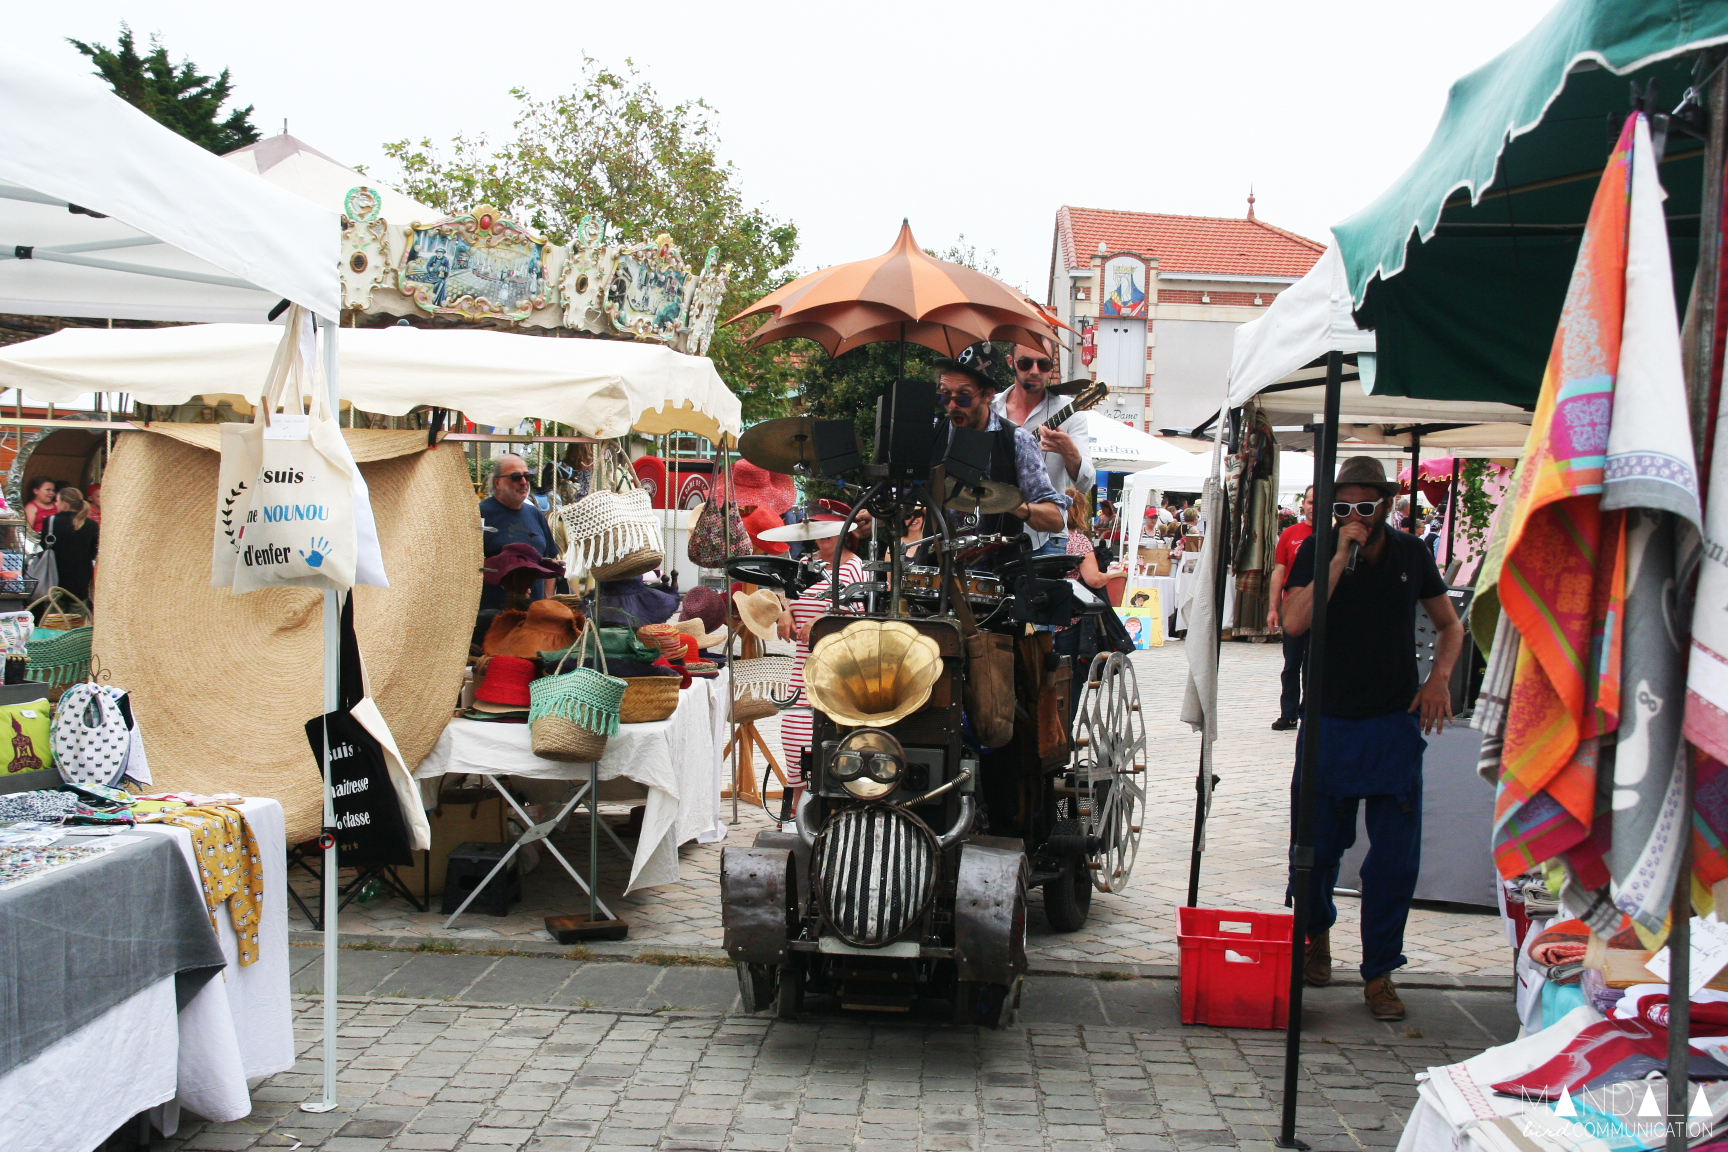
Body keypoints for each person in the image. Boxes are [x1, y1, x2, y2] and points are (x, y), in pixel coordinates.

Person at [1280, 457, 1463, 1022]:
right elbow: (1293, 622)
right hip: (1329, 719)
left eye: (1365, 506)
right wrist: (1337, 557)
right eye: (1342, 508)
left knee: (1392, 860)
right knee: (1315, 848)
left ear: (1387, 503)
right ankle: (1314, 936)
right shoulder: (1318, 548)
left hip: (1391, 722)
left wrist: (1438, 679)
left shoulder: (1411, 552)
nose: (1354, 517)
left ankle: (1380, 970)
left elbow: (1450, 623)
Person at [932, 345, 1068, 557]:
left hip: (998, 574)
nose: (952, 405)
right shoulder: (933, 433)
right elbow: (905, 499)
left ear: (987, 395)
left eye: (964, 397)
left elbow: (1056, 519)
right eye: (944, 395)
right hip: (937, 570)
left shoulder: (1017, 441)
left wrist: (1011, 503)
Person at [777, 500, 867, 788]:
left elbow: (860, 617)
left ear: (845, 530)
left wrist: (823, 619)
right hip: (800, 666)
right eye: (819, 526)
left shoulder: (854, 566)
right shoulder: (804, 563)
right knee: (792, 736)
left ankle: (815, 806)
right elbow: (791, 599)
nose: (824, 533)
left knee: (819, 740)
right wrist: (784, 611)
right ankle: (794, 808)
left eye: (831, 527)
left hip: (835, 669)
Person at [994, 342, 1092, 555]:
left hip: (1047, 538)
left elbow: (1085, 483)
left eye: (1044, 364)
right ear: (1011, 362)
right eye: (1025, 363)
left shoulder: (1070, 412)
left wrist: (1070, 452)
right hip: (993, 533)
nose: (1035, 371)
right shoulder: (992, 408)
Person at [479, 453, 557, 612]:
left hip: (533, 616)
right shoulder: (480, 514)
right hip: (493, 615)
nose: (523, 482)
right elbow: (468, 567)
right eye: (516, 477)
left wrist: (546, 600)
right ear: (498, 482)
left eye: (527, 476)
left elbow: (550, 559)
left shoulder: (534, 513)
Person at [1267, 485, 1315, 731]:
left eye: (1318, 502)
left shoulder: (1334, 534)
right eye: (1310, 502)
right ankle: (1288, 712)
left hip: (1321, 610)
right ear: (1303, 504)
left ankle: (1309, 709)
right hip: (1294, 609)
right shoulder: (1290, 534)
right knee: (1292, 663)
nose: (1313, 507)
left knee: (1314, 664)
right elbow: (1279, 572)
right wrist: (1273, 608)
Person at [43, 486, 98, 605]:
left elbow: (44, 546)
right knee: (78, 620)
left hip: (55, 578)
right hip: (81, 579)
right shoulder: (91, 525)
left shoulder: (50, 522)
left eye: (57, 501)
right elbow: (93, 553)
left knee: (54, 620)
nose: (55, 504)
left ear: (64, 504)